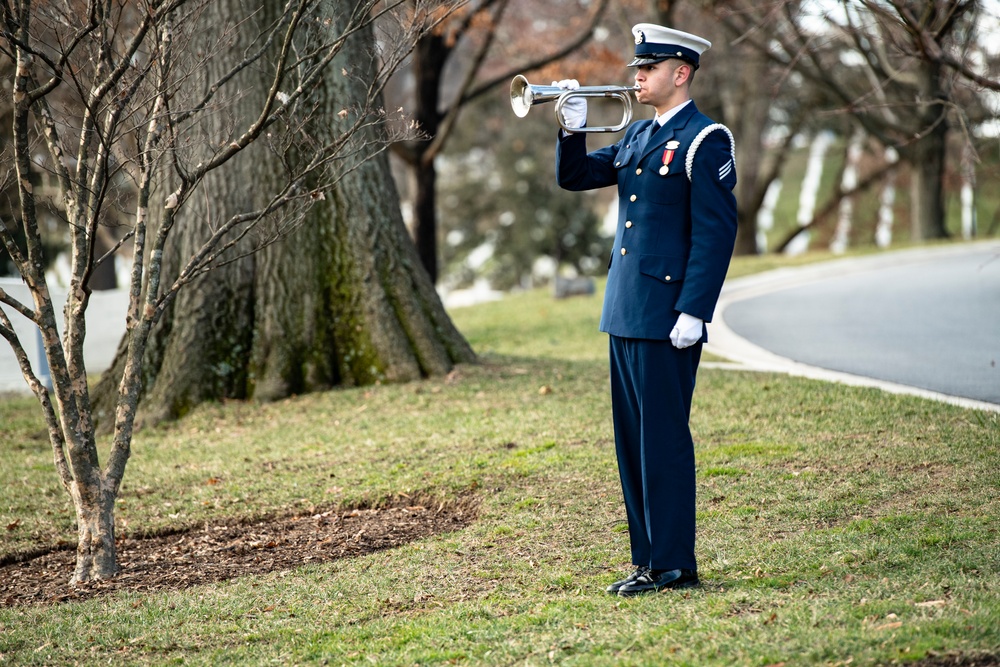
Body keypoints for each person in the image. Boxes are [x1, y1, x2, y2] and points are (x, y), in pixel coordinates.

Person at [554, 23, 737, 596]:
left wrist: (695, 310)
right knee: (632, 444)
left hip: (667, 316)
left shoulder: (707, 140)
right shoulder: (637, 135)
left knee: (663, 440)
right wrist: (571, 129)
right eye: (638, 67)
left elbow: (716, 234)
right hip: (626, 309)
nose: (637, 76)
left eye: (649, 68)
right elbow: (576, 176)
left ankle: (676, 564)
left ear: (680, 73)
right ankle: (648, 561)